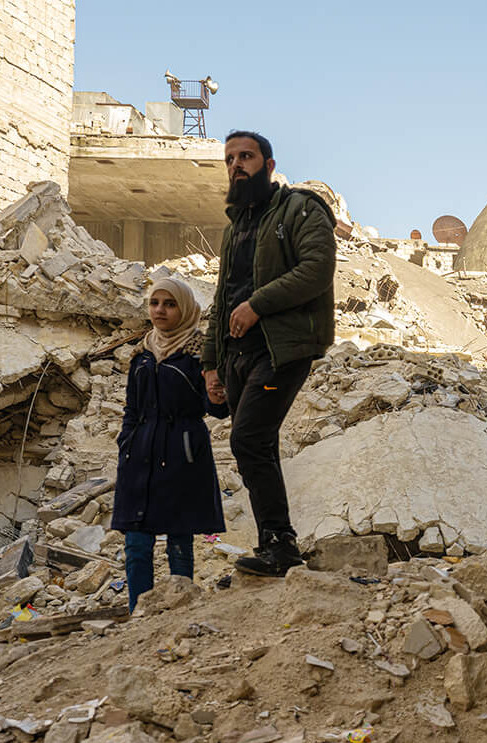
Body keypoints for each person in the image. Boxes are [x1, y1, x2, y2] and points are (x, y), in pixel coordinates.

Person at [202, 130, 336, 577]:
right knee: (253, 445)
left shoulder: (300, 209)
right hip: (237, 356)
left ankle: (281, 545)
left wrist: (258, 305)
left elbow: (316, 270)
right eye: (230, 158)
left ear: (270, 165)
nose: (237, 165)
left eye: (247, 156)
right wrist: (210, 364)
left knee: (248, 439)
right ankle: (272, 544)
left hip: (282, 349)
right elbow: (222, 300)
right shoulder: (234, 229)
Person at [112, 277, 228, 611]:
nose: (160, 310)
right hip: (140, 453)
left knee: (180, 538)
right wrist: (126, 442)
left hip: (182, 454)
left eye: (170, 304)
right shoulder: (142, 353)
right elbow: (131, 408)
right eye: (155, 303)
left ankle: (180, 609)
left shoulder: (199, 354)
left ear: (186, 309)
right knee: (136, 540)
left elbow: (217, 409)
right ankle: (139, 612)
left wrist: (218, 393)